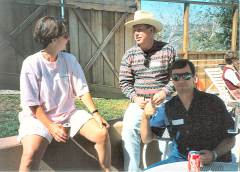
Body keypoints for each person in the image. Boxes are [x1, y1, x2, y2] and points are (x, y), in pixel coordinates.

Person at [18, 16, 111, 172]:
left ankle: (106, 170)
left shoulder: (69, 60)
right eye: (65, 35)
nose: (68, 38)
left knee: (102, 133)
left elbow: (82, 90)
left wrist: (95, 114)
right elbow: (32, 103)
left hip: (68, 114)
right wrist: (51, 126)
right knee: (30, 155)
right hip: (38, 118)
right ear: (53, 39)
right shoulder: (31, 63)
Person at [141, 59, 236, 169]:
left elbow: (230, 139)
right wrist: (145, 117)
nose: (181, 81)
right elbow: (146, 139)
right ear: (172, 81)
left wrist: (214, 154)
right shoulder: (168, 107)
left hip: (215, 161)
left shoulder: (213, 103)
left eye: (186, 76)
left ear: (194, 78)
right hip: (180, 160)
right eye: (176, 77)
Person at [119, 10, 176, 171]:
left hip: (164, 102)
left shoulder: (168, 50)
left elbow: (176, 78)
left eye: (140, 29)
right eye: (134, 30)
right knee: (128, 130)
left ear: (151, 30)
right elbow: (124, 82)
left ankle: (169, 167)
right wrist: (135, 98)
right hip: (139, 104)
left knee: (173, 132)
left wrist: (164, 92)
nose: (136, 33)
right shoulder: (129, 54)